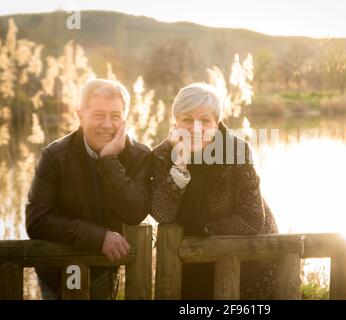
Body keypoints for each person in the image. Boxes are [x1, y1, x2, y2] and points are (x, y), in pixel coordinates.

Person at [26, 78, 152, 299]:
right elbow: (37, 221)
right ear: (80, 115)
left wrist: (108, 161)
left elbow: (135, 212)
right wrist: (98, 237)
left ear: (124, 119)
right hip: (58, 268)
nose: (107, 124)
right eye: (98, 115)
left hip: (103, 269)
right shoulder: (55, 156)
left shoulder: (139, 156)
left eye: (115, 116)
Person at [150, 82, 278, 299]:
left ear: (217, 122)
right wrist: (180, 166)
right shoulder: (162, 155)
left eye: (205, 120)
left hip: (249, 262)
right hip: (190, 260)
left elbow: (252, 220)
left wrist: (204, 228)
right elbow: (162, 214)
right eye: (187, 119)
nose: (196, 128)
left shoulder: (236, 150)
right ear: (175, 122)